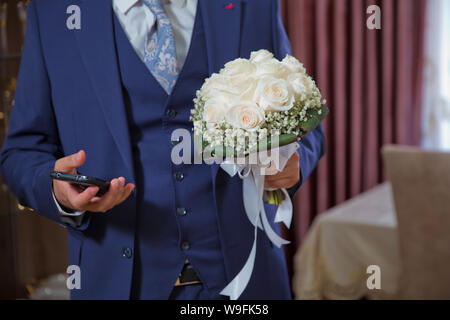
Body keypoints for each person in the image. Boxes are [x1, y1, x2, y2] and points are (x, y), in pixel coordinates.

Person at [0, 0, 325, 299]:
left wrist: (292, 160)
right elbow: (21, 151)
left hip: (248, 282)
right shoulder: (56, 12)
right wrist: (59, 194)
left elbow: (305, 119)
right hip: (119, 284)